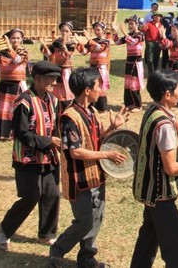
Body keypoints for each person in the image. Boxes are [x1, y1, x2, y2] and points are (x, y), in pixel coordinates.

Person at [49, 68, 128, 268]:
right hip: (79, 179)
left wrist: (113, 128)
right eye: (97, 86)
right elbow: (75, 152)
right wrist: (107, 155)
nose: (100, 90)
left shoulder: (91, 112)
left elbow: (96, 141)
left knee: (96, 218)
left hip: (96, 175)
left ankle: (86, 258)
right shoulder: (69, 117)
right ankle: (58, 249)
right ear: (86, 90)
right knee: (84, 221)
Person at [130, 69, 178, 267]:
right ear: (167, 94)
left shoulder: (153, 111)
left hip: (149, 190)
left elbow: (169, 142)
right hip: (161, 195)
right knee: (176, 246)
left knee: (148, 238)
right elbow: (170, 167)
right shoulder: (164, 124)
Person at [0, 61, 62, 251]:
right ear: (38, 79)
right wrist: (48, 141)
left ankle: (46, 234)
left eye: (55, 79)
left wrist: (58, 140)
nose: (53, 82)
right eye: (50, 79)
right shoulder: (23, 101)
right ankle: (4, 229)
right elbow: (21, 132)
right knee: (30, 197)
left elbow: (55, 125)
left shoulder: (53, 99)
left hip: (49, 157)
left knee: (52, 194)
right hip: (27, 158)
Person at [0, 28, 29, 140]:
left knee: (16, 109)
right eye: (13, 38)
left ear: (22, 39)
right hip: (4, 83)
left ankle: (16, 133)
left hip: (17, 84)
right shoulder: (2, 52)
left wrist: (10, 48)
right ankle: (3, 134)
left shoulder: (23, 52)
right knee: (3, 109)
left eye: (18, 38)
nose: (15, 40)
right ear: (9, 39)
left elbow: (18, 60)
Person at [40, 21, 79, 108]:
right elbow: (49, 54)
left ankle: (67, 106)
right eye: (62, 31)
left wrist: (64, 45)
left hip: (66, 70)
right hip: (57, 68)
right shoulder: (56, 42)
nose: (64, 33)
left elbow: (69, 56)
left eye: (66, 31)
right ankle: (56, 107)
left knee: (66, 88)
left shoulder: (71, 43)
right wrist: (44, 45)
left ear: (70, 32)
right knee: (56, 88)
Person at [113, 15, 145, 112]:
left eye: (132, 24)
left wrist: (124, 32)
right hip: (129, 62)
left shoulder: (140, 35)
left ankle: (138, 105)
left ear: (137, 24)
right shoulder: (129, 35)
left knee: (134, 84)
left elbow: (133, 42)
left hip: (136, 62)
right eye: (129, 24)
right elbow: (117, 42)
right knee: (127, 83)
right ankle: (129, 103)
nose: (130, 25)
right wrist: (115, 31)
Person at [78, 22, 111, 112]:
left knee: (101, 86)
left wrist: (89, 38)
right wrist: (80, 43)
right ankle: (92, 106)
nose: (96, 32)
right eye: (95, 30)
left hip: (101, 67)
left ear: (103, 31)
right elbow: (84, 52)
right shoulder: (92, 41)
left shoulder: (106, 41)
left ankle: (102, 107)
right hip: (93, 66)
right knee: (92, 85)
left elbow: (99, 48)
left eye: (98, 30)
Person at [159, 22, 178, 107]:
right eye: (171, 30)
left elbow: (169, 44)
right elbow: (163, 45)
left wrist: (164, 35)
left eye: (175, 30)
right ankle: (174, 101)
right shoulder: (173, 40)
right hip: (171, 63)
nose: (173, 32)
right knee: (172, 82)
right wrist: (161, 37)